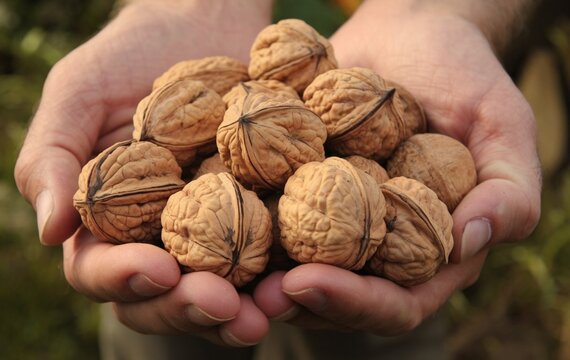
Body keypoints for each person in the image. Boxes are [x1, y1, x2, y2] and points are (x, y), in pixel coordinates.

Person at [14, 0, 542, 358]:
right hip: (215, 244)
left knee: (377, 331)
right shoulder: (223, 141)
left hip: (386, 76)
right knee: (170, 323)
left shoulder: (360, 159)